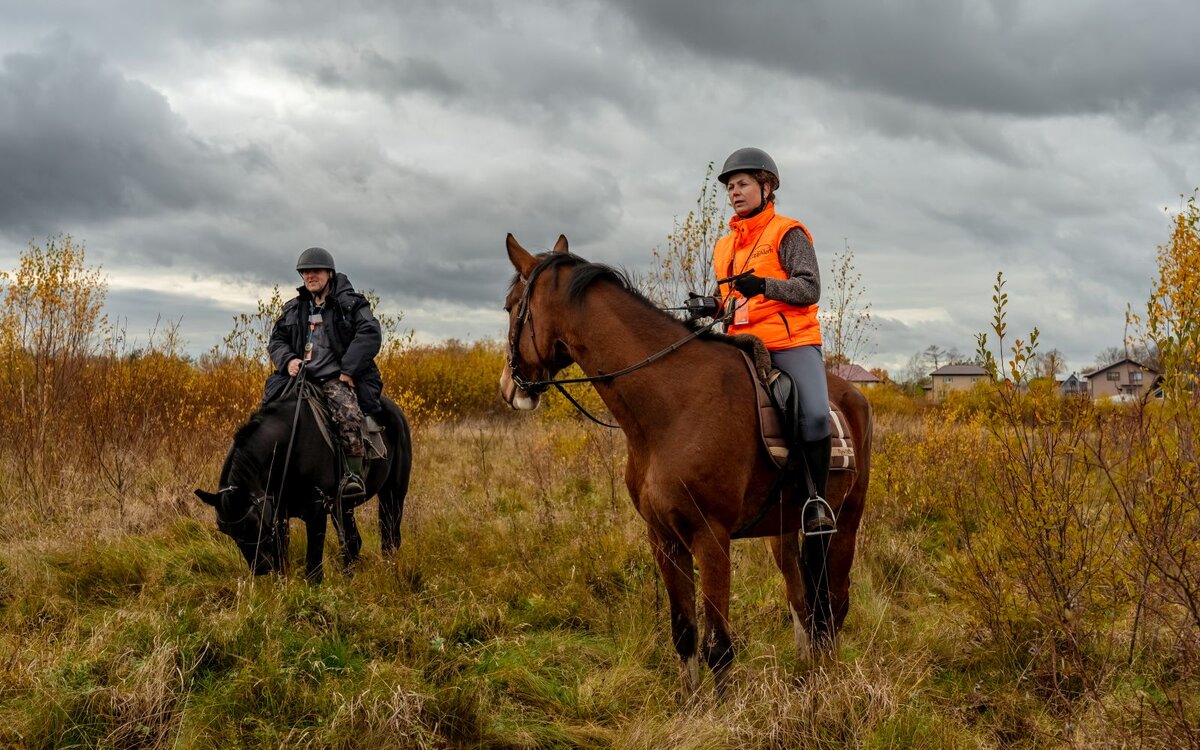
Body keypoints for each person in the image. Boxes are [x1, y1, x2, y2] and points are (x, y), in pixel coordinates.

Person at [712, 147, 836, 535]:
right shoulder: (724, 246)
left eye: (743, 184)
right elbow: (731, 303)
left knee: (815, 414)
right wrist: (712, 307)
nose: (735, 191)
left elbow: (809, 288)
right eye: (730, 186)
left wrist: (764, 285)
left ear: (767, 187)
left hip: (790, 342)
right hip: (740, 343)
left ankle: (816, 501)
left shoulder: (788, 232)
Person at [263, 247, 384, 501]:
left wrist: (349, 369)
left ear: (329, 273)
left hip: (335, 379)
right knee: (268, 415)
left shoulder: (350, 304)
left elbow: (370, 334)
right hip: (299, 378)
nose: (310, 275)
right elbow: (277, 340)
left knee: (348, 414)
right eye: (305, 272)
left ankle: (353, 476)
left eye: (315, 271)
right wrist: (287, 361)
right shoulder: (295, 308)